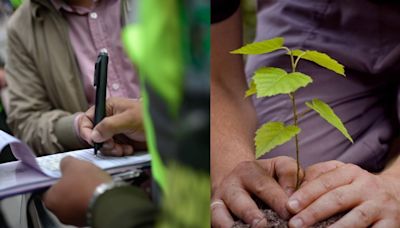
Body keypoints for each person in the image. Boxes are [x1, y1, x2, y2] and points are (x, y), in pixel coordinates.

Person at [211, 0, 400, 227]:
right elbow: (214, 75)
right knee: (296, 181)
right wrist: (233, 171)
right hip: (323, 12)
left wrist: (394, 184)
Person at [5, 0, 142, 155]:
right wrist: (78, 128)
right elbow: (27, 121)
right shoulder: (23, 26)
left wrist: (146, 115)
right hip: (101, 169)